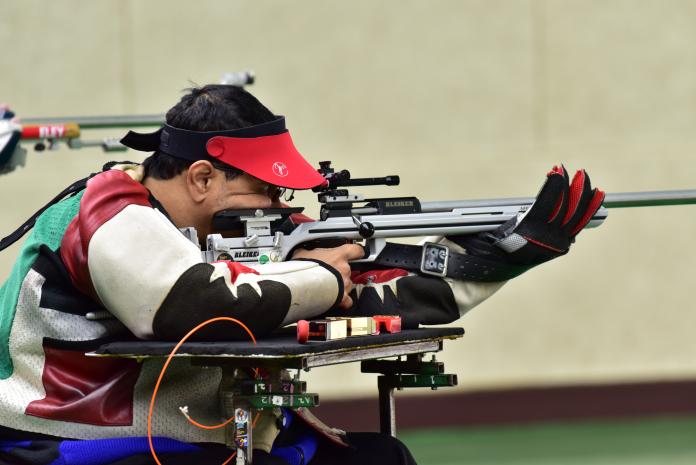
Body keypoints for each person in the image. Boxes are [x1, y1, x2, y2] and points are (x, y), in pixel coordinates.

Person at [0, 85, 604, 465]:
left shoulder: (227, 231)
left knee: (381, 458)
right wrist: (317, 276)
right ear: (203, 179)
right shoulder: (106, 210)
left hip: (199, 434)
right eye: (265, 188)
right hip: (70, 436)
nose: (279, 205)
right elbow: (185, 306)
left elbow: (375, 293)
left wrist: (503, 253)